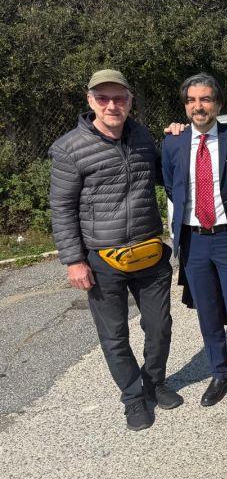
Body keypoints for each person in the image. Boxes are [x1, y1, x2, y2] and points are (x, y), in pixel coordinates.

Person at [49, 69, 181, 431]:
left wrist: (174, 140)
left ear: (129, 100)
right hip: (101, 258)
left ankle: (155, 382)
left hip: (150, 252)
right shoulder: (68, 148)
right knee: (114, 335)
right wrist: (74, 260)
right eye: (103, 98)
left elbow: (163, 173)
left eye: (119, 97)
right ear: (90, 101)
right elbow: (61, 207)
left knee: (159, 327)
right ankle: (133, 398)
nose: (112, 105)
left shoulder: (141, 137)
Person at [161, 73, 227, 407]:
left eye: (205, 99)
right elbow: (171, 186)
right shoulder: (172, 143)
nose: (198, 106)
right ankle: (221, 373)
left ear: (217, 103)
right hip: (194, 241)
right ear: (185, 105)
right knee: (208, 311)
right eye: (191, 100)